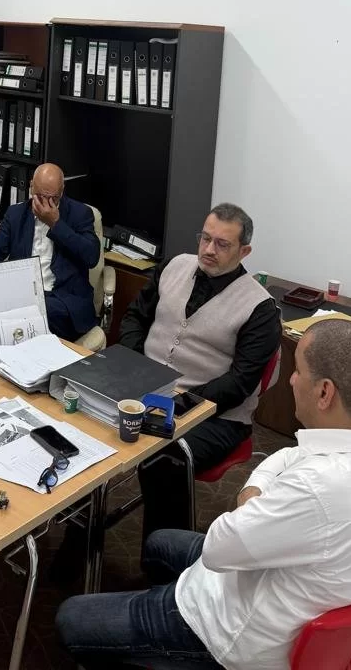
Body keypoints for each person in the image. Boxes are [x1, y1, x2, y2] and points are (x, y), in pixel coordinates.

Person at [56, 318, 351, 670]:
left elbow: (217, 550)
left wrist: (248, 500)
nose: (290, 379)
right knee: (159, 542)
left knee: (70, 618)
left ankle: (168, 640)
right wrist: (257, 493)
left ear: (324, 392)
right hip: (279, 579)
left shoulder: (317, 488)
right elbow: (288, 456)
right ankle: (155, 621)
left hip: (233, 633)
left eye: (298, 371)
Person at [119, 203, 282, 537]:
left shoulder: (261, 309)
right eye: (205, 238)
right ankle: (79, 540)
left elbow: (239, 384)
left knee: (165, 457)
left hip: (216, 415)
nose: (209, 249)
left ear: (244, 251)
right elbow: (135, 317)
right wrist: (136, 367)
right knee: (86, 423)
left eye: (222, 244)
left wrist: (178, 402)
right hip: (146, 387)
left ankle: (166, 557)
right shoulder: (173, 266)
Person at [0, 162, 100, 340]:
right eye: (40, 196)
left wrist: (56, 224)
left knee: (34, 313)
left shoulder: (80, 213)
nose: (46, 204)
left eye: (53, 198)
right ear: (31, 187)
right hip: (23, 293)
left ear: (62, 191)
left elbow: (91, 256)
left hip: (63, 300)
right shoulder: (16, 214)